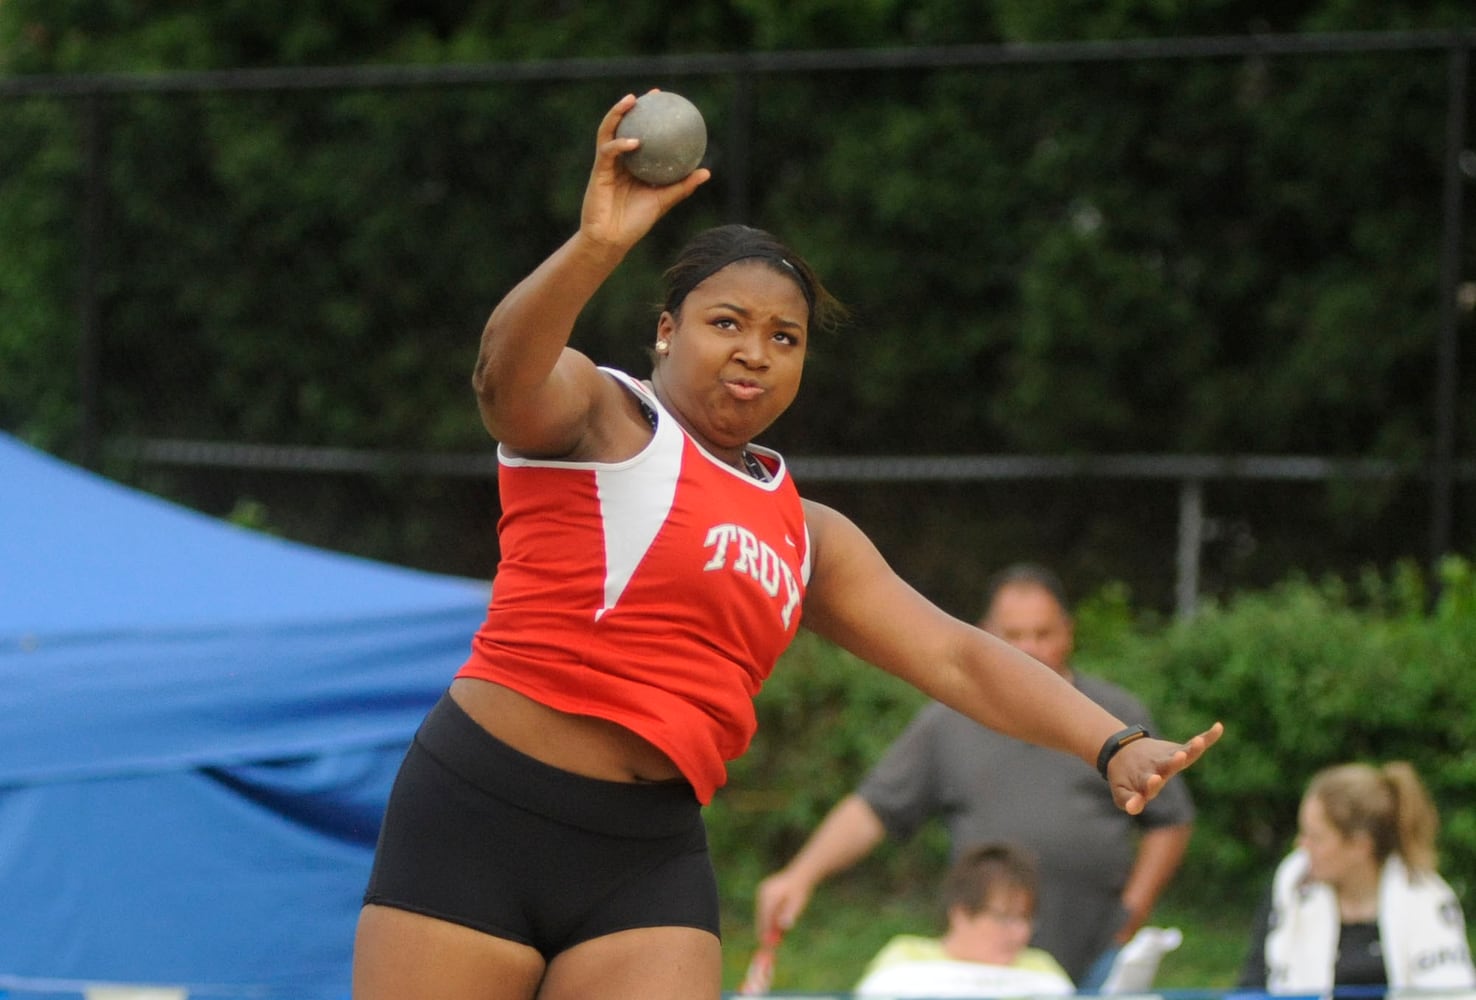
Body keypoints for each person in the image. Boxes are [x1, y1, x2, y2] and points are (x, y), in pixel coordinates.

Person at [350, 91, 1222, 1000]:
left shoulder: (810, 534)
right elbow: (502, 373)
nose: (755, 351)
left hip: (645, 855)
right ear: (664, 331)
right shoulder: (603, 415)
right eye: (725, 322)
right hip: (483, 810)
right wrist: (598, 248)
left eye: (784, 337)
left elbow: (961, 658)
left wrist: (1111, 739)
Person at [754, 563, 1195, 986]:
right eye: (1014, 635)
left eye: (1043, 634)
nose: (1030, 649)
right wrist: (800, 874)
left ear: (1068, 632)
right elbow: (876, 807)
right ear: (986, 635)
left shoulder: (1115, 715)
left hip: (1097, 953)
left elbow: (1170, 821)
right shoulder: (948, 723)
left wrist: (1130, 913)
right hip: (985, 966)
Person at [1237, 761, 1476, 994]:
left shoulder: (1428, 901)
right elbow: (1252, 985)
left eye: (1316, 837)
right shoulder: (1291, 885)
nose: (1301, 845)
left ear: (1359, 846)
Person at [853, 842, 1074, 998]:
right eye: (1005, 919)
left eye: (1025, 919)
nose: (1021, 933)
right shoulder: (906, 958)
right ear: (961, 914)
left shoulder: (1041, 970)